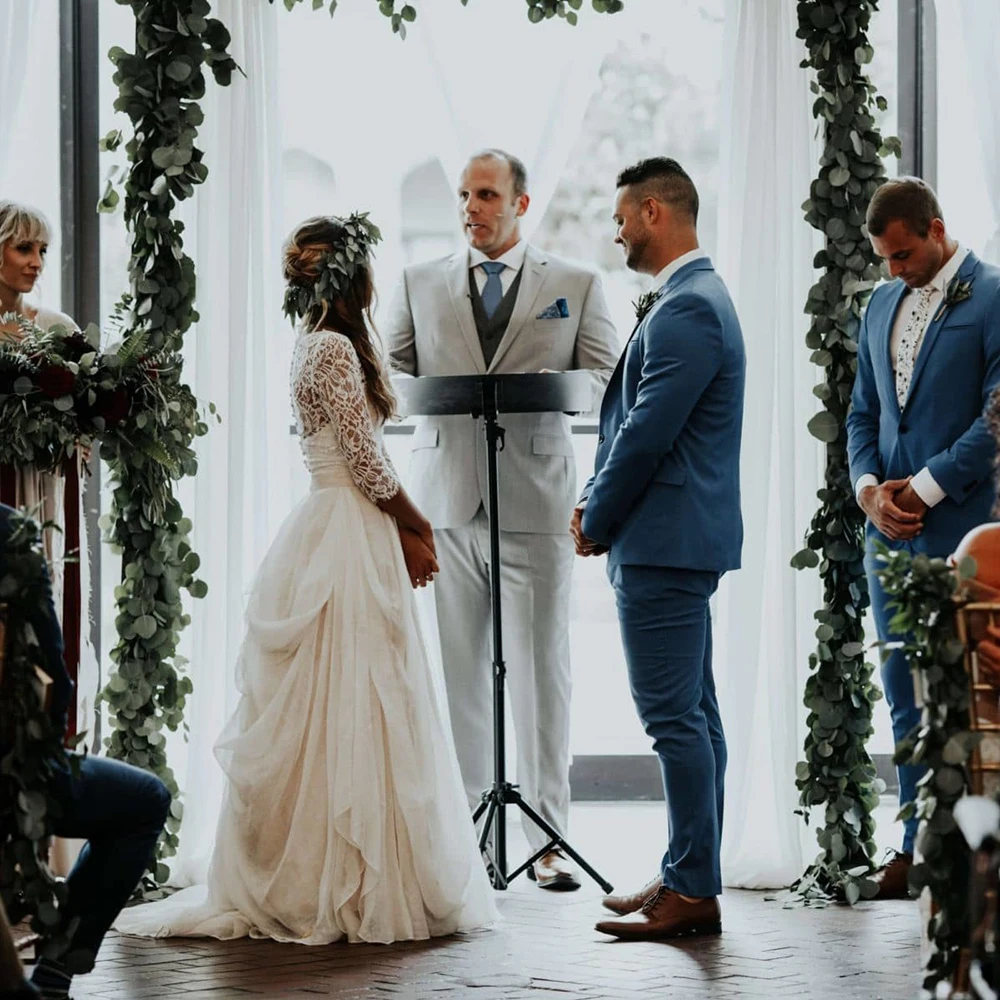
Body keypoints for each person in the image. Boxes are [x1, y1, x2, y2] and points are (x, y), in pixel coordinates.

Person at [114, 214, 496, 945]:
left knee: (360, 700)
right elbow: (367, 462)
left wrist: (402, 530)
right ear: (352, 277)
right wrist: (418, 528)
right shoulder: (328, 348)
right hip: (346, 531)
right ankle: (334, 880)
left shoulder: (317, 344)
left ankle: (354, 871)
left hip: (343, 528)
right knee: (352, 698)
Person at [386, 149, 619, 890]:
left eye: (485, 194)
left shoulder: (577, 284)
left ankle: (546, 839)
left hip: (536, 500)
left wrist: (557, 390)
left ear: (521, 203)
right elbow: (383, 379)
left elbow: (609, 379)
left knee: (542, 673)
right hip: (447, 498)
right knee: (461, 677)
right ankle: (470, 840)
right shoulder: (417, 283)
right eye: (463, 195)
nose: (470, 207)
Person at [572, 157, 745, 939]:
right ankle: (685, 871)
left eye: (620, 218)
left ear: (653, 212)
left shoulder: (689, 309)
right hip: (675, 539)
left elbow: (646, 433)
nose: (614, 232)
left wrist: (597, 514)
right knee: (695, 715)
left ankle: (693, 893)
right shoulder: (694, 299)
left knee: (672, 719)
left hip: (663, 541)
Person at [846, 176, 1000, 898]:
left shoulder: (993, 294)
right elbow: (862, 413)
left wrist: (926, 486)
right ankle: (914, 843)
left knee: (968, 695)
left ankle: (974, 851)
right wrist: (871, 490)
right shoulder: (880, 303)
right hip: (889, 534)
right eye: (884, 257)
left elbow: (999, 417)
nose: (893, 270)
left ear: (936, 230)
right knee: (902, 689)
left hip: (965, 529)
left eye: (903, 255)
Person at [0, 502, 170, 1000]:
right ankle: (54, 972)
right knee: (144, 800)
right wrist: (41, 754)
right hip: (10, 772)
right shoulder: (10, 531)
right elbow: (50, 667)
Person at [0, 202, 82, 616]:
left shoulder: (58, 328)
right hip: (2, 481)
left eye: (43, 251)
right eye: (24, 249)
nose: (36, 263)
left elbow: (85, 409)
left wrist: (80, 439)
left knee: (50, 588)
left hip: (48, 481)